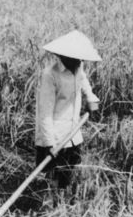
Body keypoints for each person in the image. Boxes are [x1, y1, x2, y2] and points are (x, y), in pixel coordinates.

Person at [35, 29, 101, 189]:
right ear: (65, 56)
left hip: (73, 131)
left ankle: (66, 203)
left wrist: (91, 98)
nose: (80, 61)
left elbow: (84, 81)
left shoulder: (78, 67)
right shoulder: (50, 75)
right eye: (76, 58)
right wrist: (50, 144)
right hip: (55, 134)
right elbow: (45, 113)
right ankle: (50, 207)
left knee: (69, 173)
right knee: (53, 179)